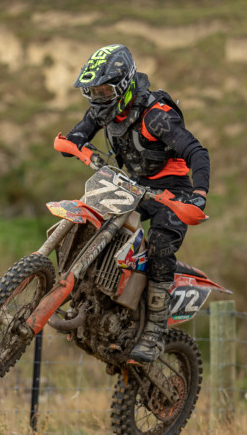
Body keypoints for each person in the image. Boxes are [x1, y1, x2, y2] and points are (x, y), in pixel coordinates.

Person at [62, 44, 210, 363]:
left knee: (159, 246)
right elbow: (78, 135)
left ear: (125, 86)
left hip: (172, 190)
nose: (99, 98)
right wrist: (74, 143)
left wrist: (199, 195)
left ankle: (154, 332)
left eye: (104, 91)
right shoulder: (104, 109)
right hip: (134, 185)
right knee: (95, 219)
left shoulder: (156, 116)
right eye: (93, 92)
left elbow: (196, 152)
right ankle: (87, 292)